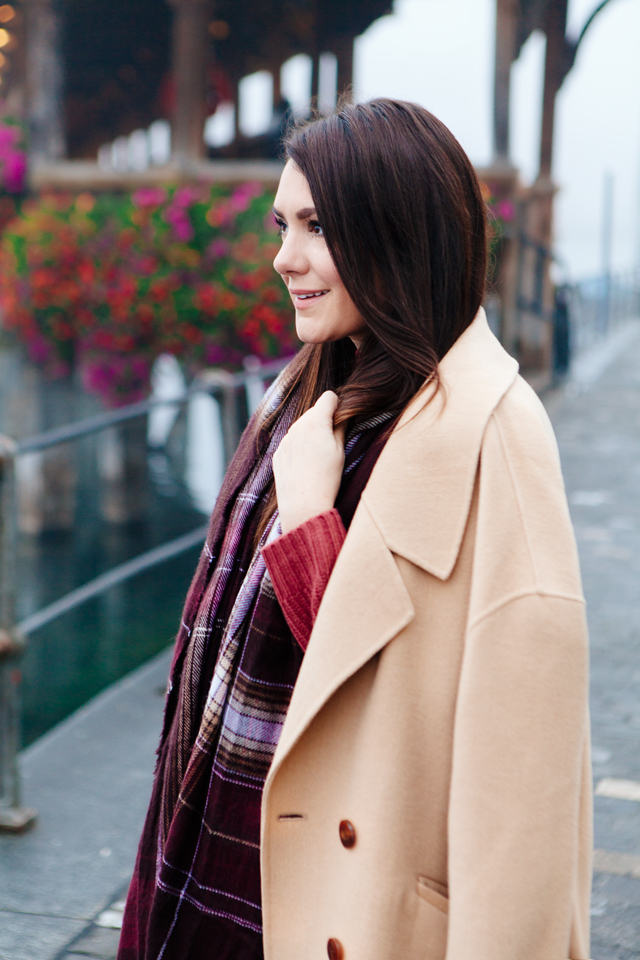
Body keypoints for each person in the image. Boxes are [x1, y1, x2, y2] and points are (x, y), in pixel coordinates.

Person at [118, 99, 592, 960]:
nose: (283, 257)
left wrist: (307, 522)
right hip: (214, 850)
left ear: (401, 235)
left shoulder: (495, 434)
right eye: (280, 224)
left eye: (317, 227)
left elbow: (523, 788)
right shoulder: (306, 396)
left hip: (347, 903)